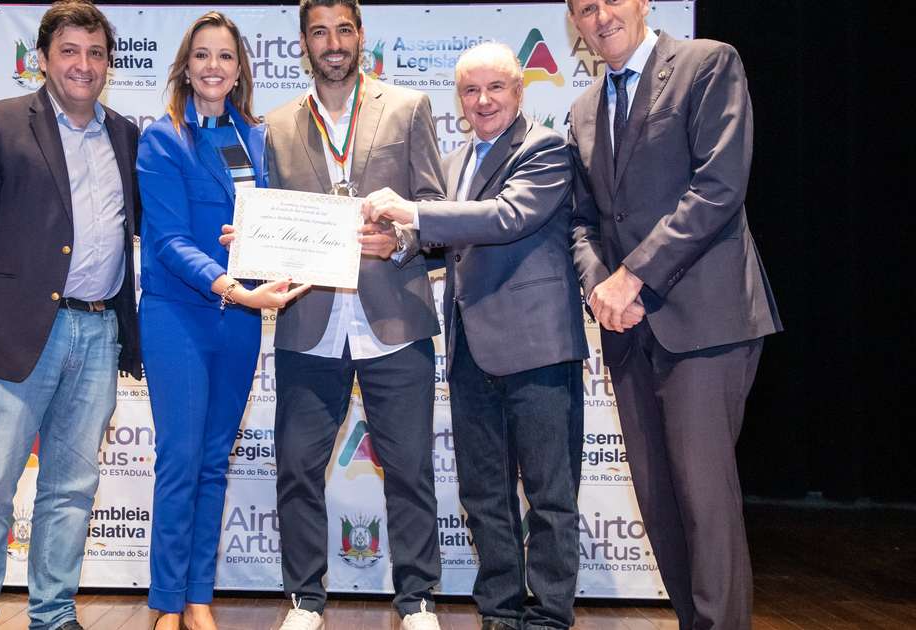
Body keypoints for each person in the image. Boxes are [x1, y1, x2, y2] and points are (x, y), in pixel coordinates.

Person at [224, 1, 446, 628]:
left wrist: (399, 240)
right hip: (309, 323)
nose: (333, 43)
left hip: (393, 321)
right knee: (297, 467)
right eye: (320, 32)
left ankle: (418, 600)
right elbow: (266, 213)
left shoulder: (407, 107)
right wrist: (249, 241)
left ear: (361, 35)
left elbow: (434, 210)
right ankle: (304, 600)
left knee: (409, 468)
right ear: (303, 42)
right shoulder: (275, 125)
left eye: (344, 30)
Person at [565, 1, 783, 627]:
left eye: (611, 1)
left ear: (642, 3)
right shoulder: (582, 109)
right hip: (629, 328)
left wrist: (632, 276)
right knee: (659, 504)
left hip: (706, 321)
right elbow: (583, 221)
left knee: (703, 501)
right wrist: (601, 288)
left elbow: (718, 186)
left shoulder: (706, 64)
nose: (601, 17)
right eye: (585, 9)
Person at [364, 42, 590, 630]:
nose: (483, 100)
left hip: (538, 350)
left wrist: (413, 214)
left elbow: (507, 217)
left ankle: (549, 617)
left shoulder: (546, 147)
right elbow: (444, 241)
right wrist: (399, 243)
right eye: (470, 90)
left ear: (519, 91)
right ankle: (499, 612)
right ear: (459, 100)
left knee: (549, 494)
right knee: (484, 494)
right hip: (470, 351)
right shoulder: (455, 160)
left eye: (495, 88)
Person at [0, 2, 141, 629]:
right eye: (70, 51)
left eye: (96, 53)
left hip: (100, 329)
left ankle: (53, 613)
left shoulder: (126, 135)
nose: (84, 65)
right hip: (17, 332)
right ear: (43, 59)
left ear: (109, 63)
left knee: (72, 488)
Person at [135, 11, 308, 630]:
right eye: (202, 55)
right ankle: (165, 604)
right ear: (186, 66)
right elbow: (168, 241)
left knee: (213, 461)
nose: (214, 66)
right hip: (178, 316)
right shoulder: (161, 138)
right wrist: (236, 286)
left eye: (226, 56)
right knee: (181, 460)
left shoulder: (256, 139)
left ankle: (198, 598)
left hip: (238, 320)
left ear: (240, 70)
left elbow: (276, 222)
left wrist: (272, 251)